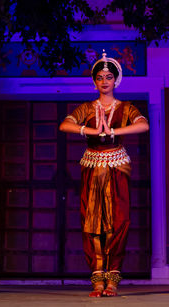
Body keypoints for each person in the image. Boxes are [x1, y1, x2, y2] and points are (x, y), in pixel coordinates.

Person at [59, 50, 149, 297]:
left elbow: (144, 124)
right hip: (92, 169)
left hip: (117, 167)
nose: (105, 81)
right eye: (100, 77)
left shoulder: (126, 107)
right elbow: (64, 124)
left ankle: (113, 279)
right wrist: (89, 130)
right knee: (92, 222)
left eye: (109, 76)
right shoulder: (87, 107)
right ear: (95, 81)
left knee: (118, 222)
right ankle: (97, 279)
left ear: (116, 79)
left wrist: (112, 133)